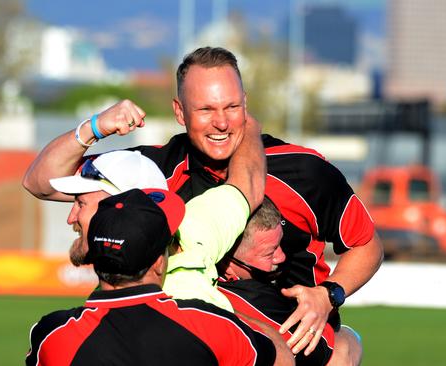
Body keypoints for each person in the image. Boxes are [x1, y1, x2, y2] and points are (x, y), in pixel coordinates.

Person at [23, 46, 384, 355]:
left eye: (231, 107)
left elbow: (367, 245)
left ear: (246, 104)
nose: (222, 123)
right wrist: (95, 127)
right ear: (180, 112)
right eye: (206, 110)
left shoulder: (305, 171)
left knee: (343, 347)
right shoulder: (152, 172)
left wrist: (329, 294)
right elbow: (41, 182)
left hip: (296, 342)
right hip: (193, 343)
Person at [26, 188, 292, 365]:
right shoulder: (213, 326)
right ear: (158, 262)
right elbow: (281, 358)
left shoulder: (52, 333)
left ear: (93, 254)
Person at [42, 116, 265, 312]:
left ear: (121, 208)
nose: (71, 218)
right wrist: (243, 118)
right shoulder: (196, 225)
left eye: (81, 204)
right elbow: (248, 181)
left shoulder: (156, 309)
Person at [217, 197, 363, 366]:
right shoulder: (254, 298)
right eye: (268, 253)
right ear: (227, 263)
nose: (281, 256)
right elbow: (340, 357)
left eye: (280, 244)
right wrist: (351, 335)